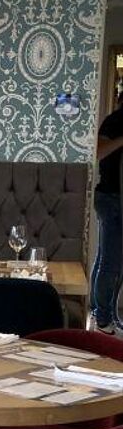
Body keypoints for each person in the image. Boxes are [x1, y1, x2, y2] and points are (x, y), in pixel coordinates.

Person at [90, 100, 123, 333]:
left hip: (116, 198)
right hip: (111, 197)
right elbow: (98, 151)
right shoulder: (115, 121)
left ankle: (102, 313)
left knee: (107, 258)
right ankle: (103, 318)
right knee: (111, 261)